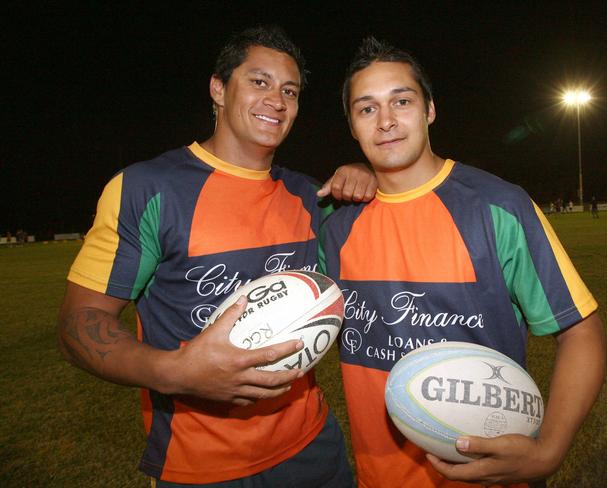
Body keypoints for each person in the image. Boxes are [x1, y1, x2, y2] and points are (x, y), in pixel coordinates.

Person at [57, 26, 377, 487]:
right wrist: (174, 371)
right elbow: (78, 323)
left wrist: (366, 170)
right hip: (202, 469)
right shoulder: (147, 189)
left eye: (290, 90)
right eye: (259, 82)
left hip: (313, 448)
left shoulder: (311, 195)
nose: (278, 100)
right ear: (218, 88)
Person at [319, 37, 607, 488]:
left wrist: (549, 450)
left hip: (490, 479)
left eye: (402, 100)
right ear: (353, 126)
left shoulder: (497, 206)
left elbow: (581, 331)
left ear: (430, 109)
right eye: (367, 109)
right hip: (379, 476)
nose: (387, 121)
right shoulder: (335, 224)